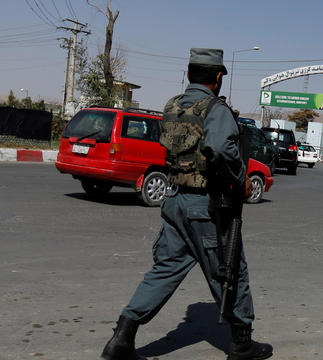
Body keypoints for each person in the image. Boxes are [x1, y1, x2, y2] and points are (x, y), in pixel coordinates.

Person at [100, 48, 273, 360]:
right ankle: (242, 342)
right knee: (230, 270)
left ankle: (122, 338)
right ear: (218, 77)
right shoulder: (214, 109)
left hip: (175, 200)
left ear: (189, 73)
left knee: (165, 269)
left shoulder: (173, 106)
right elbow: (220, 147)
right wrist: (241, 178)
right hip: (207, 206)